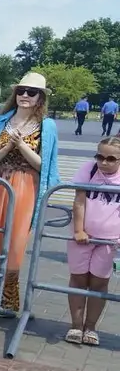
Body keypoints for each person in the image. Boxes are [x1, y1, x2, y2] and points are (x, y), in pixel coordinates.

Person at [0, 72, 60, 315]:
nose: (25, 95)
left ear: (41, 98)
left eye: (31, 92)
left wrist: (22, 146)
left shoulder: (47, 127)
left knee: (15, 242)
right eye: (21, 91)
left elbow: (44, 167)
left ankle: (6, 300)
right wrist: (8, 146)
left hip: (26, 188)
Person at [65, 136, 120, 346]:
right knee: (78, 279)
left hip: (109, 240)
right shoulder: (88, 170)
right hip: (82, 237)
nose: (104, 162)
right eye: (100, 156)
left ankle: (91, 326)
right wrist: (78, 229)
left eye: (111, 159)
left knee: (99, 283)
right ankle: (76, 325)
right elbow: (79, 201)